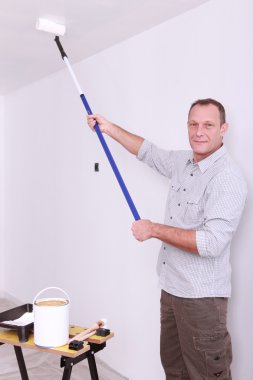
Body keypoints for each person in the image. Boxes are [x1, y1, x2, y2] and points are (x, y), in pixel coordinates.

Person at [87, 98, 247, 380]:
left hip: (201, 300)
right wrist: (109, 128)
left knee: (207, 375)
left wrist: (153, 229)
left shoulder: (227, 178)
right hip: (171, 291)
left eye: (208, 125)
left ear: (224, 129)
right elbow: (148, 152)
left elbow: (210, 243)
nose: (199, 131)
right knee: (175, 372)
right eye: (193, 124)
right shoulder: (183, 162)